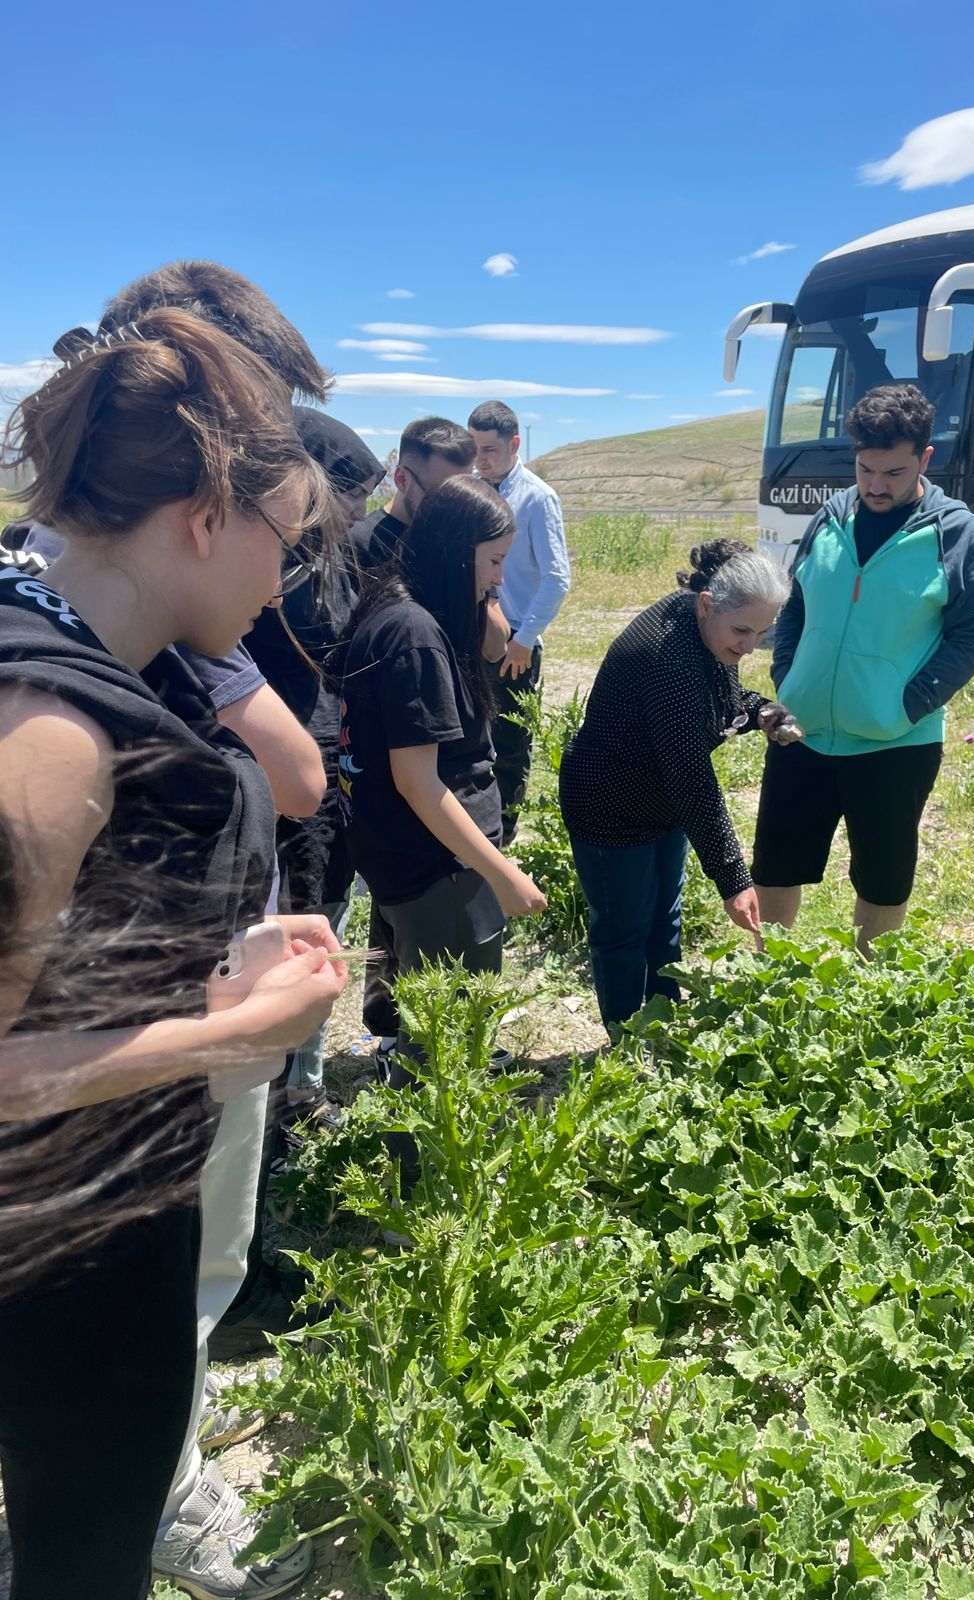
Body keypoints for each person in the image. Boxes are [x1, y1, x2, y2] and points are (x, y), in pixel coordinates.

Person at [0, 309, 348, 1600]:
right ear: (205, 514)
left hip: (92, 1205)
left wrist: (227, 952)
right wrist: (229, 1037)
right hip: (65, 1241)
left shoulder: (79, 650)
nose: (281, 583)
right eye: (284, 540)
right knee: (83, 1553)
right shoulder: (51, 732)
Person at [752, 383, 974, 952]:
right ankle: (766, 979)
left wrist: (906, 705)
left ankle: (868, 993)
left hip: (896, 742)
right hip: (801, 731)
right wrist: (788, 678)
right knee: (776, 865)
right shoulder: (829, 516)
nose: (875, 486)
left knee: (883, 879)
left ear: (925, 460)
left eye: (893, 472)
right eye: (865, 469)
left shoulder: (953, 530)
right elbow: (795, 604)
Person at [337, 476, 547, 1110]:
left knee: (436, 1014)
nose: (500, 577)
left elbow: (493, 642)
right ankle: (425, 1160)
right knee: (446, 1022)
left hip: (424, 860)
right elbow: (418, 782)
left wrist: (480, 589)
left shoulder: (412, 609)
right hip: (442, 866)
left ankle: (436, 1123)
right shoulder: (416, 637)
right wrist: (504, 873)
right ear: (458, 553)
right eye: (494, 560)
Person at [559, 540, 796, 1035]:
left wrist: (760, 712)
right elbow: (692, 778)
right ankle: (626, 1043)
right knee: (624, 934)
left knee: (663, 923)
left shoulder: (705, 628)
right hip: (610, 804)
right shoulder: (665, 657)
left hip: (660, 801)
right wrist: (733, 878)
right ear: (708, 603)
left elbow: (718, 698)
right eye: (742, 631)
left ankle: (665, 1025)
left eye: (762, 632)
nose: (750, 646)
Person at [246, 408, 384, 1131]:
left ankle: (301, 1080)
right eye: (352, 491)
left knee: (327, 910)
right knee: (298, 918)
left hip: (329, 759)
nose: (363, 509)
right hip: (286, 765)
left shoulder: (331, 554)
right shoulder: (282, 560)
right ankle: (281, 1094)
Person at [468, 400, 571, 845]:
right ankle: (472, 829)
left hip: (513, 641)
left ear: (514, 444)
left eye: (489, 449)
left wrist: (524, 639)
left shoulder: (536, 497)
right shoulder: (471, 489)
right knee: (470, 736)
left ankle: (502, 836)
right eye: (473, 447)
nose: (480, 458)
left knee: (508, 744)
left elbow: (557, 578)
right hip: (471, 632)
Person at [350, 415, 476, 577]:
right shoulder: (355, 548)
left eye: (462, 495)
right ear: (402, 479)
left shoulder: (459, 543)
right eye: (441, 496)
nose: (453, 509)